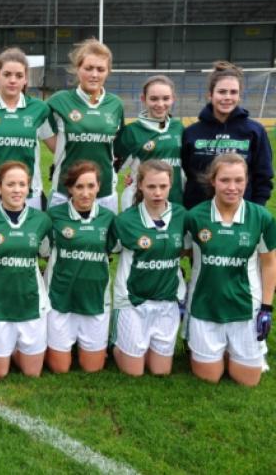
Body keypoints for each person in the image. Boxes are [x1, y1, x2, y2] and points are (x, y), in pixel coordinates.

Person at [185, 154, 275, 386]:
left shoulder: (262, 217)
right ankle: (216, 348)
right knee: (210, 378)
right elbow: (178, 253)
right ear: (213, 180)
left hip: (245, 308)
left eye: (239, 180)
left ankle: (237, 350)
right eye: (225, 180)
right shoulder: (195, 217)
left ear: (247, 181)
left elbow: (269, 264)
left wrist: (266, 308)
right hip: (205, 307)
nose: (232, 187)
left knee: (247, 381)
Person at [0, 161, 52, 379]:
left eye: (22, 184)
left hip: (31, 303)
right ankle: (7, 346)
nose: (17, 190)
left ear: (28, 188)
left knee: (32, 373)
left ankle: (17, 346)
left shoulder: (42, 221)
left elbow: (46, 255)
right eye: (10, 184)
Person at [111, 160, 188, 377]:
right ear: (140, 186)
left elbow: (186, 249)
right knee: (134, 372)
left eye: (163, 187)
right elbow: (111, 250)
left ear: (170, 186)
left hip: (166, 300)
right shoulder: (125, 220)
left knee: (160, 371)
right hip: (132, 300)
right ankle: (117, 345)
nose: (157, 192)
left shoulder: (182, 216)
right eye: (152, 186)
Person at [44, 161, 116, 373]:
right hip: (61, 299)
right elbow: (44, 251)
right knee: (60, 369)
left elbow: (115, 249)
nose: (85, 193)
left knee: (92, 369)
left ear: (98, 187)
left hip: (95, 300)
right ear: (69, 188)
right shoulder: (53, 216)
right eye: (79, 187)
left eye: (91, 186)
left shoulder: (108, 218)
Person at [42, 39, 124, 213]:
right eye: (88, 68)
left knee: (103, 240)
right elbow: (45, 133)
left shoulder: (116, 105)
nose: (94, 74)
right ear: (77, 69)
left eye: (100, 69)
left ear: (108, 72)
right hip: (65, 190)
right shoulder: (58, 101)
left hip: (104, 192)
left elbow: (117, 146)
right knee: (62, 239)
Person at [0, 48, 53, 210]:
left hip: (28, 195)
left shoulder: (40, 109)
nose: (13, 80)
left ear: (26, 79)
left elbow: (57, 147)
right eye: (7, 75)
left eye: (19, 76)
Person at [181, 61, 273, 210]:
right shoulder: (192, 132)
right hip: (198, 214)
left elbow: (263, 176)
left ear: (240, 95)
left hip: (241, 215)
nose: (227, 97)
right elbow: (184, 172)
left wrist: (256, 210)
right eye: (222, 92)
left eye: (233, 92)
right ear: (210, 94)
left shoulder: (255, 131)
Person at [116, 75, 184, 210]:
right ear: (143, 99)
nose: (160, 104)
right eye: (154, 99)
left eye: (166, 98)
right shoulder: (131, 132)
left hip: (176, 204)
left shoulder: (179, 128)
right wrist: (130, 179)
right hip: (139, 205)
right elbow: (113, 165)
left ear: (173, 99)